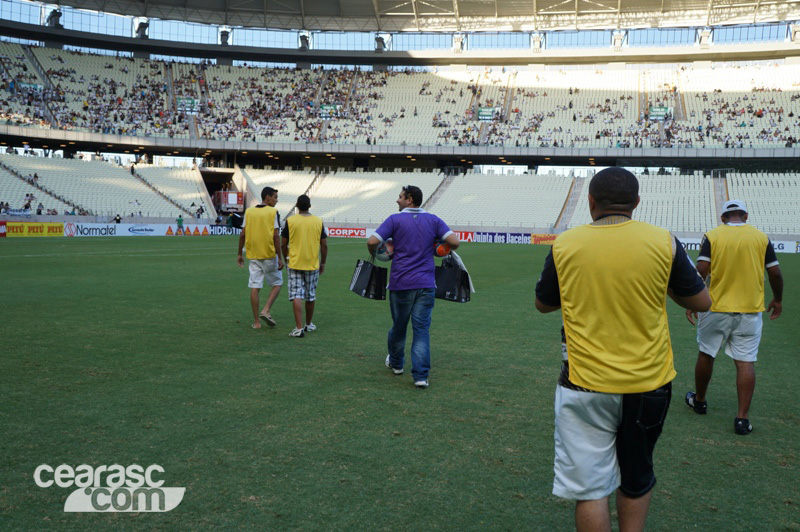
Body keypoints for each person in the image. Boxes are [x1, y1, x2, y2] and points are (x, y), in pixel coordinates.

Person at [534, 167, 710, 532]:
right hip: (649, 382)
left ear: (590, 202)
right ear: (637, 202)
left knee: (590, 490)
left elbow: (543, 304)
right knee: (637, 476)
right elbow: (702, 301)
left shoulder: (566, 244)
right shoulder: (663, 241)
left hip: (584, 383)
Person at [685, 199, 784, 435]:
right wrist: (778, 299)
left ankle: (700, 401)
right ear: (745, 216)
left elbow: (701, 270)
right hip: (749, 310)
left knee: (706, 354)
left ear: (723, 218)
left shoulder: (713, 236)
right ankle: (742, 419)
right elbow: (775, 273)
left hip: (715, 308)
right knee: (745, 362)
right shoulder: (761, 238)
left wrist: (691, 300)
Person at [366, 185, 460, 389]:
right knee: (421, 330)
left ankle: (397, 364)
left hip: (401, 283)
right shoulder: (433, 220)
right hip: (426, 284)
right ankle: (421, 376)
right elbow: (454, 242)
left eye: (400, 197)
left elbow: (372, 241)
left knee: (399, 326)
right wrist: (437, 248)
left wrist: (376, 252)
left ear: (409, 199)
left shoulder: (395, 219)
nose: (397, 200)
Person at [280, 194, 327, 338]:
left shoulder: (290, 221)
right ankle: (308, 324)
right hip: (312, 263)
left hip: (294, 263)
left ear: (297, 206)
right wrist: (323, 263)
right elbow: (324, 245)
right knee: (310, 295)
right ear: (310, 206)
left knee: (296, 294)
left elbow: (283, 244)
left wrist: (286, 259)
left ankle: (298, 328)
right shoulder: (318, 221)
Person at [237, 187, 284, 329]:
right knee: (277, 283)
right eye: (275, 197)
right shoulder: (273, 212)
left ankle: (257, 322)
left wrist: (239, 253)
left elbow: (243, 234)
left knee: (254, 287)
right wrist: (280, 257)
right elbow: (276, 236)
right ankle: (266, 309)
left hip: (253, 256)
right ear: (267, 197)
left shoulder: (249, 212)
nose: (276, 200)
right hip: (269, 255)